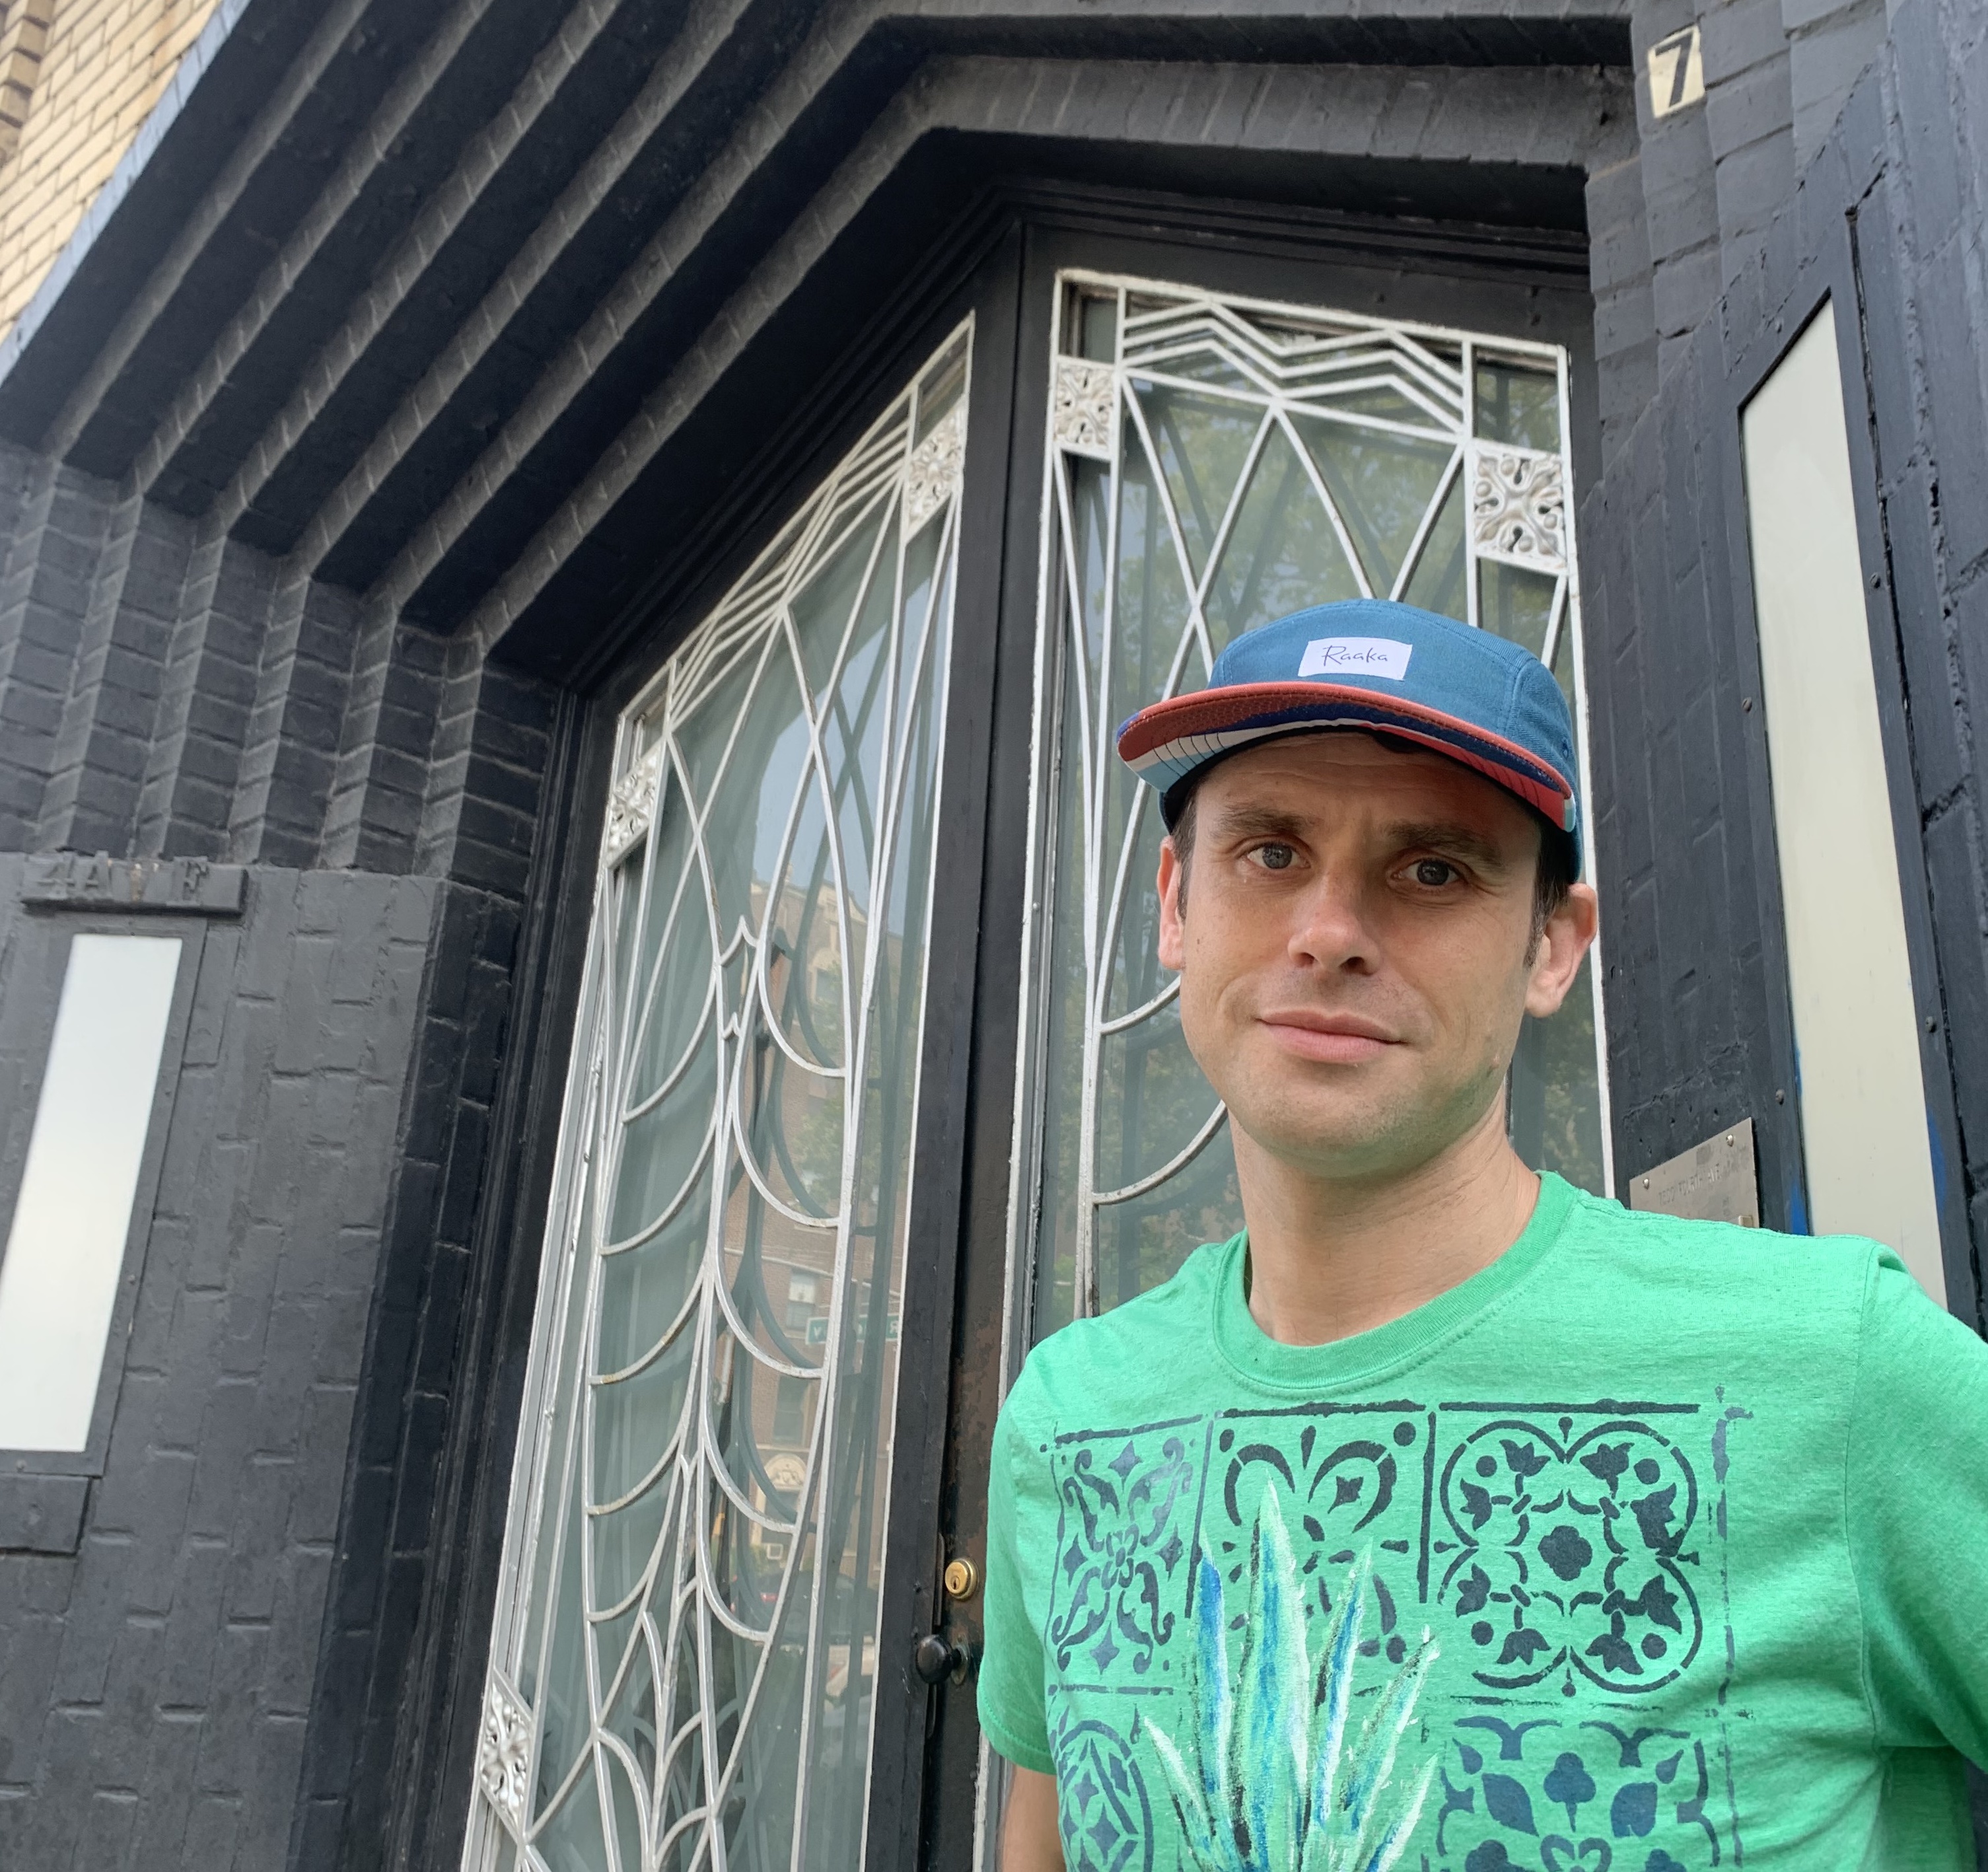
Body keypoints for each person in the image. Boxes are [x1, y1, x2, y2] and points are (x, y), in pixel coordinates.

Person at [978, 598, 1988, 1871]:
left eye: (1433, 869)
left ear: (1551, 946)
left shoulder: (1837, 1371)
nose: (1330, 930)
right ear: (1177, 901)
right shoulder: (1069, 1418)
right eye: (1271, 851)